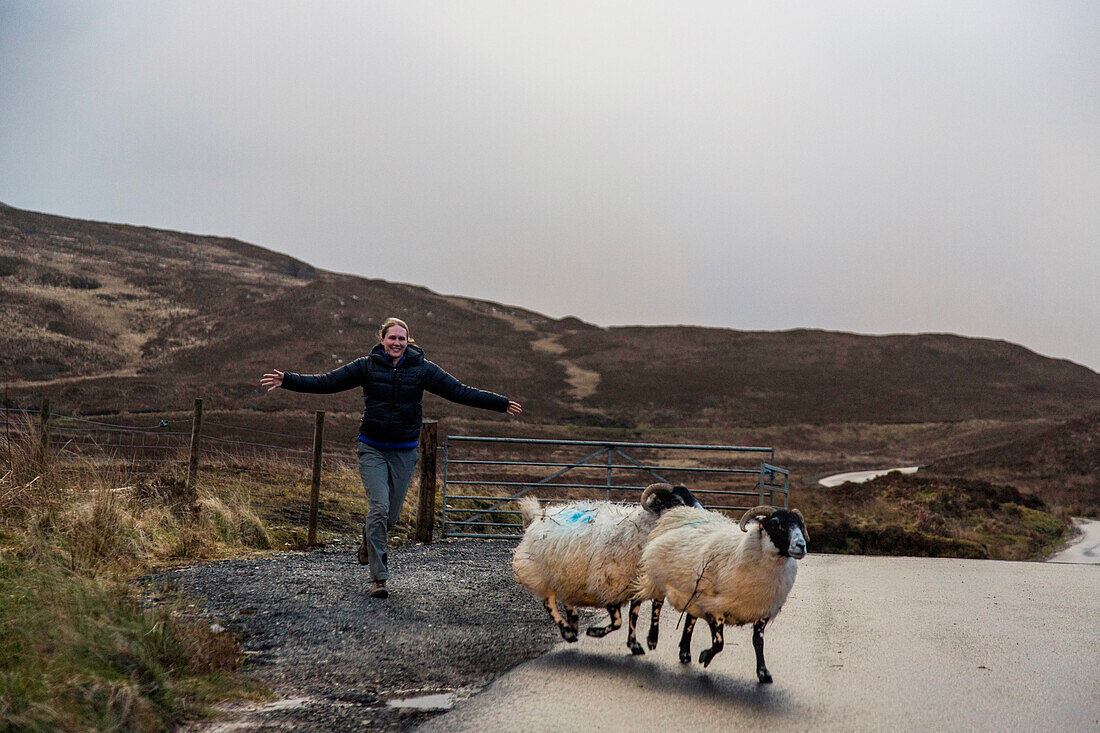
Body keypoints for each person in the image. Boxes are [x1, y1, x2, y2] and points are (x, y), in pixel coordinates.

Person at [261, 317, 521, 599]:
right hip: (371, 447)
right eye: (391, 338)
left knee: (391, 516)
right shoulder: (366, 365)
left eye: (401, 338)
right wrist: (288, 380)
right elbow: (328, 382)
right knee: (380, 508)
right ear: (382, 340)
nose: (396, 343)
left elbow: (459, 391)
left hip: (404, 450)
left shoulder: (422, 369)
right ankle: (378, 578)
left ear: (408, 342)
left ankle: (368, 543)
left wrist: (500, 403)